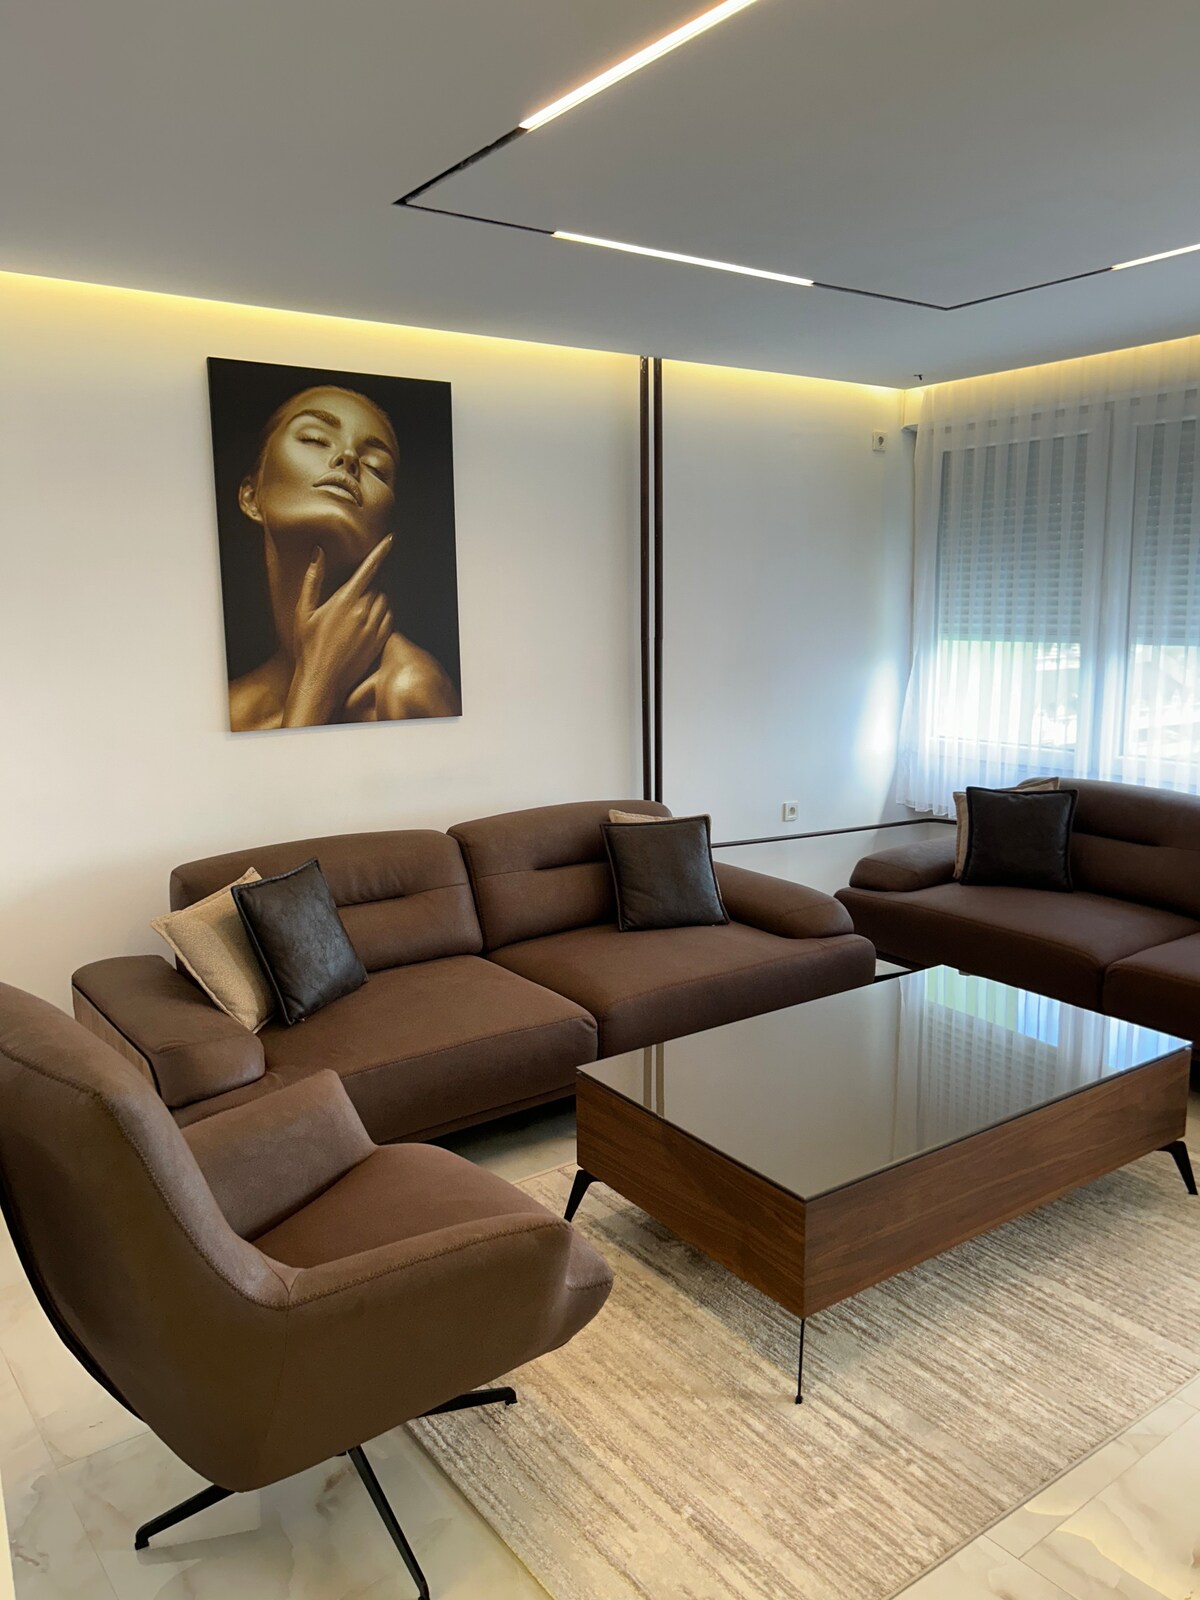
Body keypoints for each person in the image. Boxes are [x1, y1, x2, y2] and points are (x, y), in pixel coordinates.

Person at [227, 384, 460, 730]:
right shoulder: (231, 711)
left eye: (376, 467)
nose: (348, 457)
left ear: (385, 528)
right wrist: (316, 683)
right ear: (251, 496)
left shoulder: (406, 689)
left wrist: (315, 684)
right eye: (315, 439)